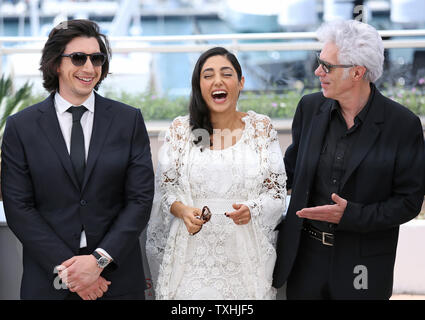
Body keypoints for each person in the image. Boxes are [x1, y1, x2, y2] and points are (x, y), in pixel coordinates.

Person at [1, 19, 154, 300]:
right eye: (78, 58)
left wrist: (98, 262)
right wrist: (71, 272)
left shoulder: (128, 120)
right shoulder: (21, 127)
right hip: (49, 283)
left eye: (96, 59)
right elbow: (19, 208)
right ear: (56, 63)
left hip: (116, 281)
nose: (89, 67)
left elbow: (140, 200)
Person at [272, 20, 425, 299]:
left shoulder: (403, 126)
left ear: (357, 72)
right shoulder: (309, 108)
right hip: (305, 258)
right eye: (319, 62)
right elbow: (288, 172)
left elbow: (409, 202)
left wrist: (351, 215)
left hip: (363, 264)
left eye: (327, 66)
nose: (318, 71)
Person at [146, 47, 286, 300]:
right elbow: (165, 190)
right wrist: (183, 211)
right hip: (191, 257)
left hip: (245, 256)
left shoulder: (262, 128)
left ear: (241, 83)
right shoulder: (179, 130)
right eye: (208, 75)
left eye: (226, 74)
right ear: (198, 85)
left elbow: (275, 193)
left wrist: (252, 209)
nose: (218, 81)